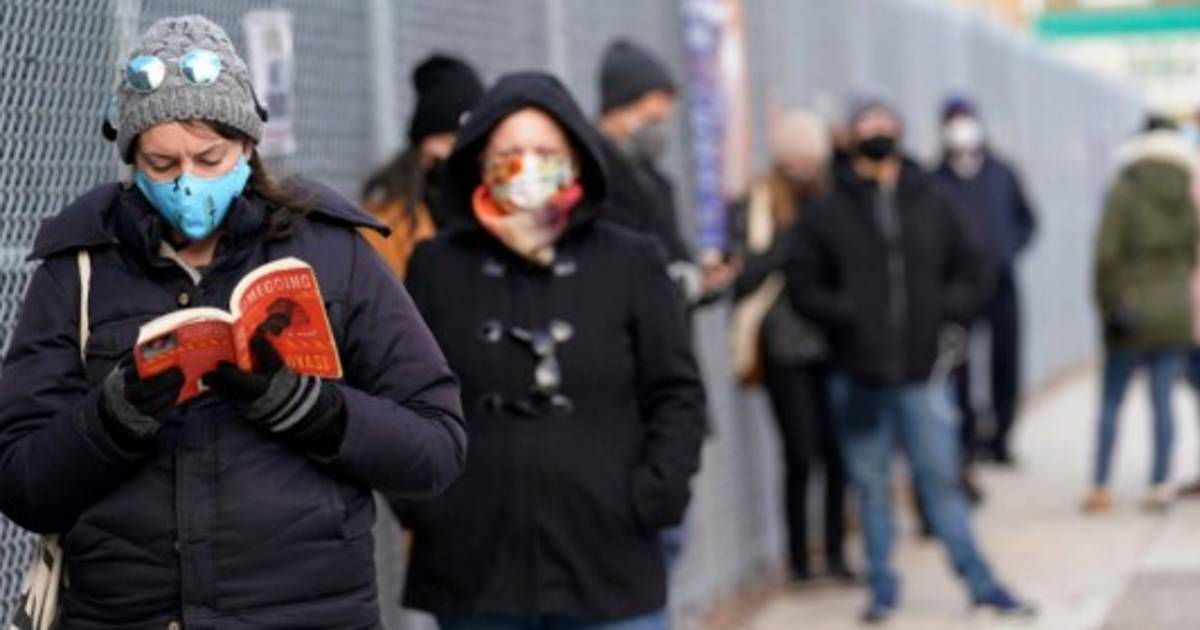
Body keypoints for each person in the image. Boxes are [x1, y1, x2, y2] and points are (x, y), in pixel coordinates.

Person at [0, 16, 466, 628]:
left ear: (247, 146)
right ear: (133, 160)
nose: (187, 182)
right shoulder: (80, 267)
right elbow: (21, 482)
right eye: (162, 164)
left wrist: (308, 409)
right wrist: (115, 416)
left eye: (209, 158)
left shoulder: (333, 253)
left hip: (307, 614)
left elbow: (435, 446)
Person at [395, 71, 707, 630]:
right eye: (509, 153)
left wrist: (654, 493)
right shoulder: (437, 266)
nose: (527, 166)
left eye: (545, 152)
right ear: (479, 161)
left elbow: (676, 392)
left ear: (577, 160)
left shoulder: (631, 260)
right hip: (474, 569)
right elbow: (400, 393)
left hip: (610, 561)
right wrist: (424, 504)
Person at [786, 100, 1035, 623]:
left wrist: (944, 313)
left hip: (923, 373)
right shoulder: (828, 212)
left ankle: (980, 582)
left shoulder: (932, 202)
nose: (878, 133)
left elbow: (974, 269)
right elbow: (802, 284)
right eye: (868, 125)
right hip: (857, 375)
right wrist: (847, 315)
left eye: (886, 125)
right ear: (850, 137)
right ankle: (882, 588)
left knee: (940, 481)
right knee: (871, 488)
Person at [728, 109, 850, 583]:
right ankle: (800, 559)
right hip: (782, 344)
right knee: (800, 453)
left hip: (832, 343)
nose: (802, 168)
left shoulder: (832, 200)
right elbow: (742, 276)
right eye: (794, 158)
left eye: (810, 159)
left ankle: (836, 551)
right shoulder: (759, 202)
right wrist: (786, 245)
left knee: (836, 453)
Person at [1087, 116, 1197, 513]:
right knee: (1163, 400)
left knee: (1112, 400)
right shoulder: (1185, 190)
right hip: (1174, 312)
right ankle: (1160, 482)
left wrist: (1108, 304)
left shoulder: (1126, 188)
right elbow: (1192, 251)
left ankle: (1101, 484)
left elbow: (1106, 255)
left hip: (1130, 309)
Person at [932, 97, 1037, 467]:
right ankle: (966, 439)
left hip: (1001, 281)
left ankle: (1001, 437)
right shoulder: (936, 180)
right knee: (959, 364)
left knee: (1005, 362)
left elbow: (1027, 219)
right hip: (959, 286)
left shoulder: (1001, 172)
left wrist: (1008, 248)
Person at [596, 38, 735, 306]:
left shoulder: (654, 180)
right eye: (652, 120)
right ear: (618, 108)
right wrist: (676, 284)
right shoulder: (596, 177)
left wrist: (702, 280)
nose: (659, 130)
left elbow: (670, 254)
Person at [360, 53, 484, 278]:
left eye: (471, 143)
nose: (460, 155)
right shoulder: (387, 223)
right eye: (449, 141)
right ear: (425, 142)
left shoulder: (489, 210)